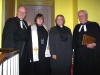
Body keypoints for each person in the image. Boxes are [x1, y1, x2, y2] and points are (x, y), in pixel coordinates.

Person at [2, 6, 29, 75]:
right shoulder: (11, 21)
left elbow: (27, 37)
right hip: (14, 52)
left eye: (24, 12)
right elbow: (9, 38)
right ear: (17, 12)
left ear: (25, 14)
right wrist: (8, 53)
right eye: (20, 11)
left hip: (23, 53)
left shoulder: (25, 23)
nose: (22, 13)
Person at [73, 10, 100, 75]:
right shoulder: (77, 27)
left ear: (86, 16)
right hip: (79, 56)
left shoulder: (94, 25)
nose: (80, 17)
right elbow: (74, 40)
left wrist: (95, 44)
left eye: (82, 15)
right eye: (79, 16)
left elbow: (99, 38)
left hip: (90, 55)